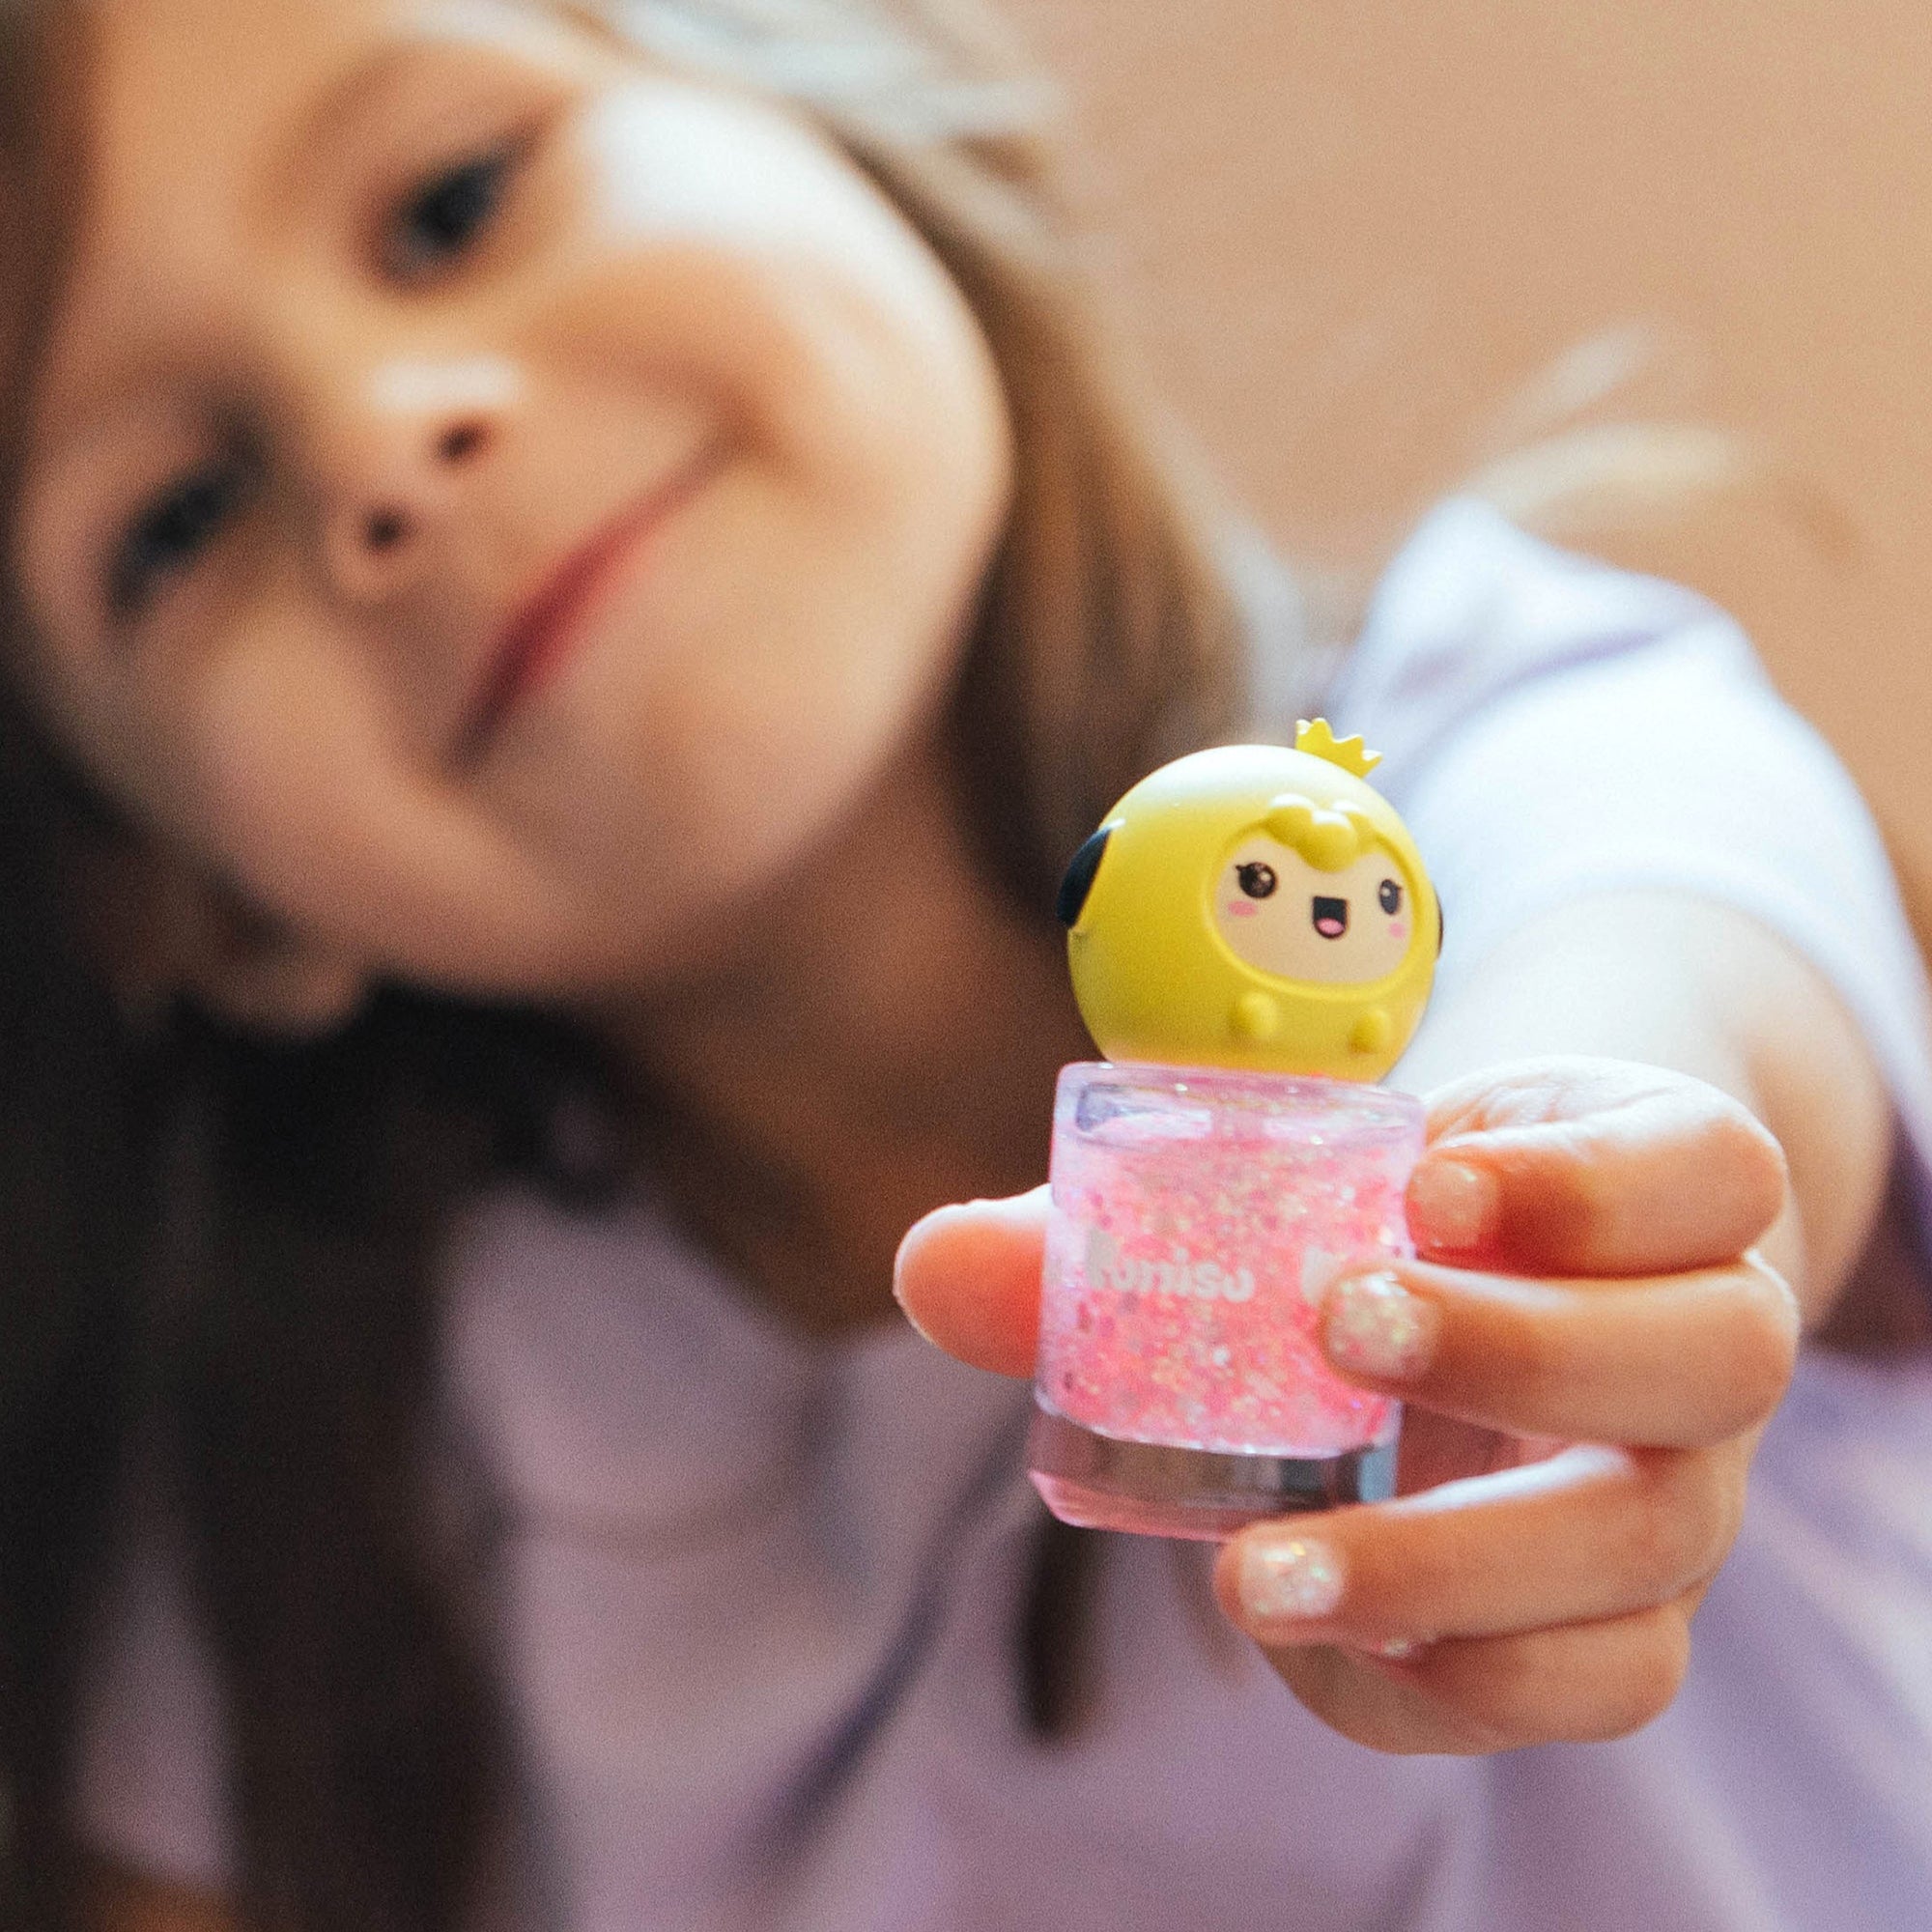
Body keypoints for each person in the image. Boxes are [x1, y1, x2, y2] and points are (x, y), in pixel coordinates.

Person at [0, 0, 1925, 1927]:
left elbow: (1664, 1004)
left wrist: (1542, 1270)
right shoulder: (307, 1481)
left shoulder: (1518, 739)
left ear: (856, 124)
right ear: (202, 907)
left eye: (453, 199)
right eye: (175, 521)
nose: (379, 440)